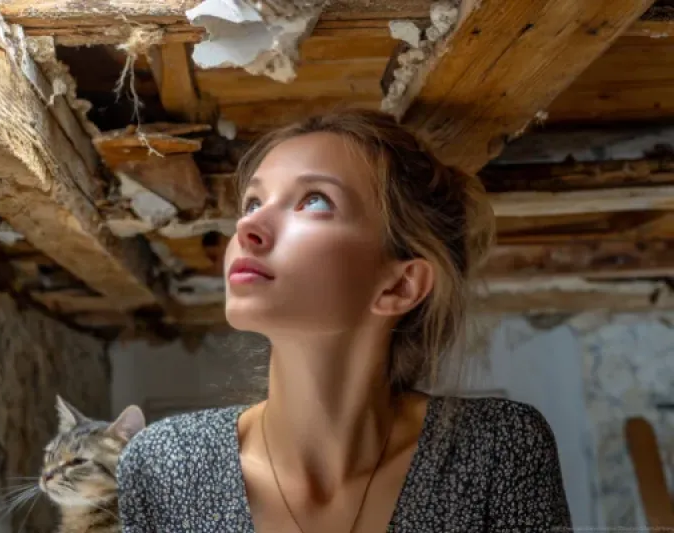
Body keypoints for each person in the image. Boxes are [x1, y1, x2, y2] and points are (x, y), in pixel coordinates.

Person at [117, 109, 572, 532]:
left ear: (399, 286)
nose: (246, 228)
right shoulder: (162, 465)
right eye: (253, 202)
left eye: (314, 201)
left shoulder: (499, 451)